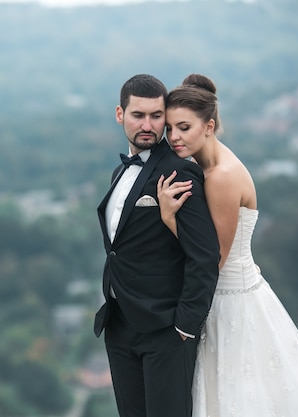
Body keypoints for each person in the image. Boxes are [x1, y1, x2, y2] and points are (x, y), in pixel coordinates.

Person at [157, 73, 298, 417]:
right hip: (225, 297)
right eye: (169, 128)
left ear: (209, 125)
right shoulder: (202, 165)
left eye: (184, 127)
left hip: (232, 303)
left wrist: (169, 218)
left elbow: (214, 259)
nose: (174, 137)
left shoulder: (222, 177)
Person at [93, 74, 220, 417]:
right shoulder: (120, 173)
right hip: (119, 327)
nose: (147, 125)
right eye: (138, 115)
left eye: (156, 116)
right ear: (120, 114)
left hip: (165, 331)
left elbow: (205, 256)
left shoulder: (180, 173)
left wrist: (184, 327)